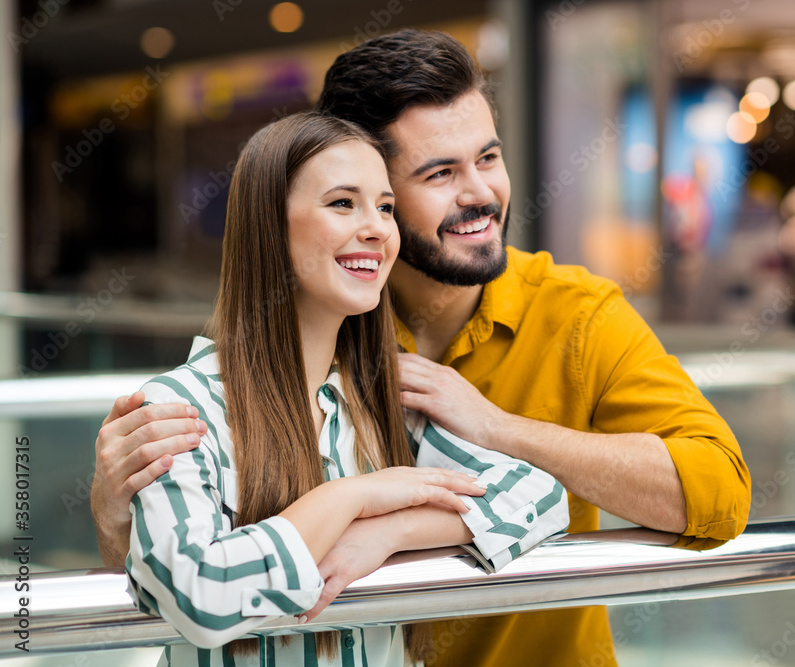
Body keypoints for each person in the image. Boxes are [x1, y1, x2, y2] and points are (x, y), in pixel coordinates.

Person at [93, 30, 751, 667]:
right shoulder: (329, 351)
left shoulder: (576, 312)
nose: (480, 193)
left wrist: (479, 444)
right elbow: (187, 577)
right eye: (439, 172)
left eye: (489, 158)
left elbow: (717, 492)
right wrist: (114, 517)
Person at [125, 110, 568, 666]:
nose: (379, 228)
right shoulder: (179, 409)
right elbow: (198, 594)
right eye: (342, 203)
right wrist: (353, 496)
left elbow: (539, 497)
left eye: (385, 207)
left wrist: (388, 532)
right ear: (269, 226)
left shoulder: (383, 396)